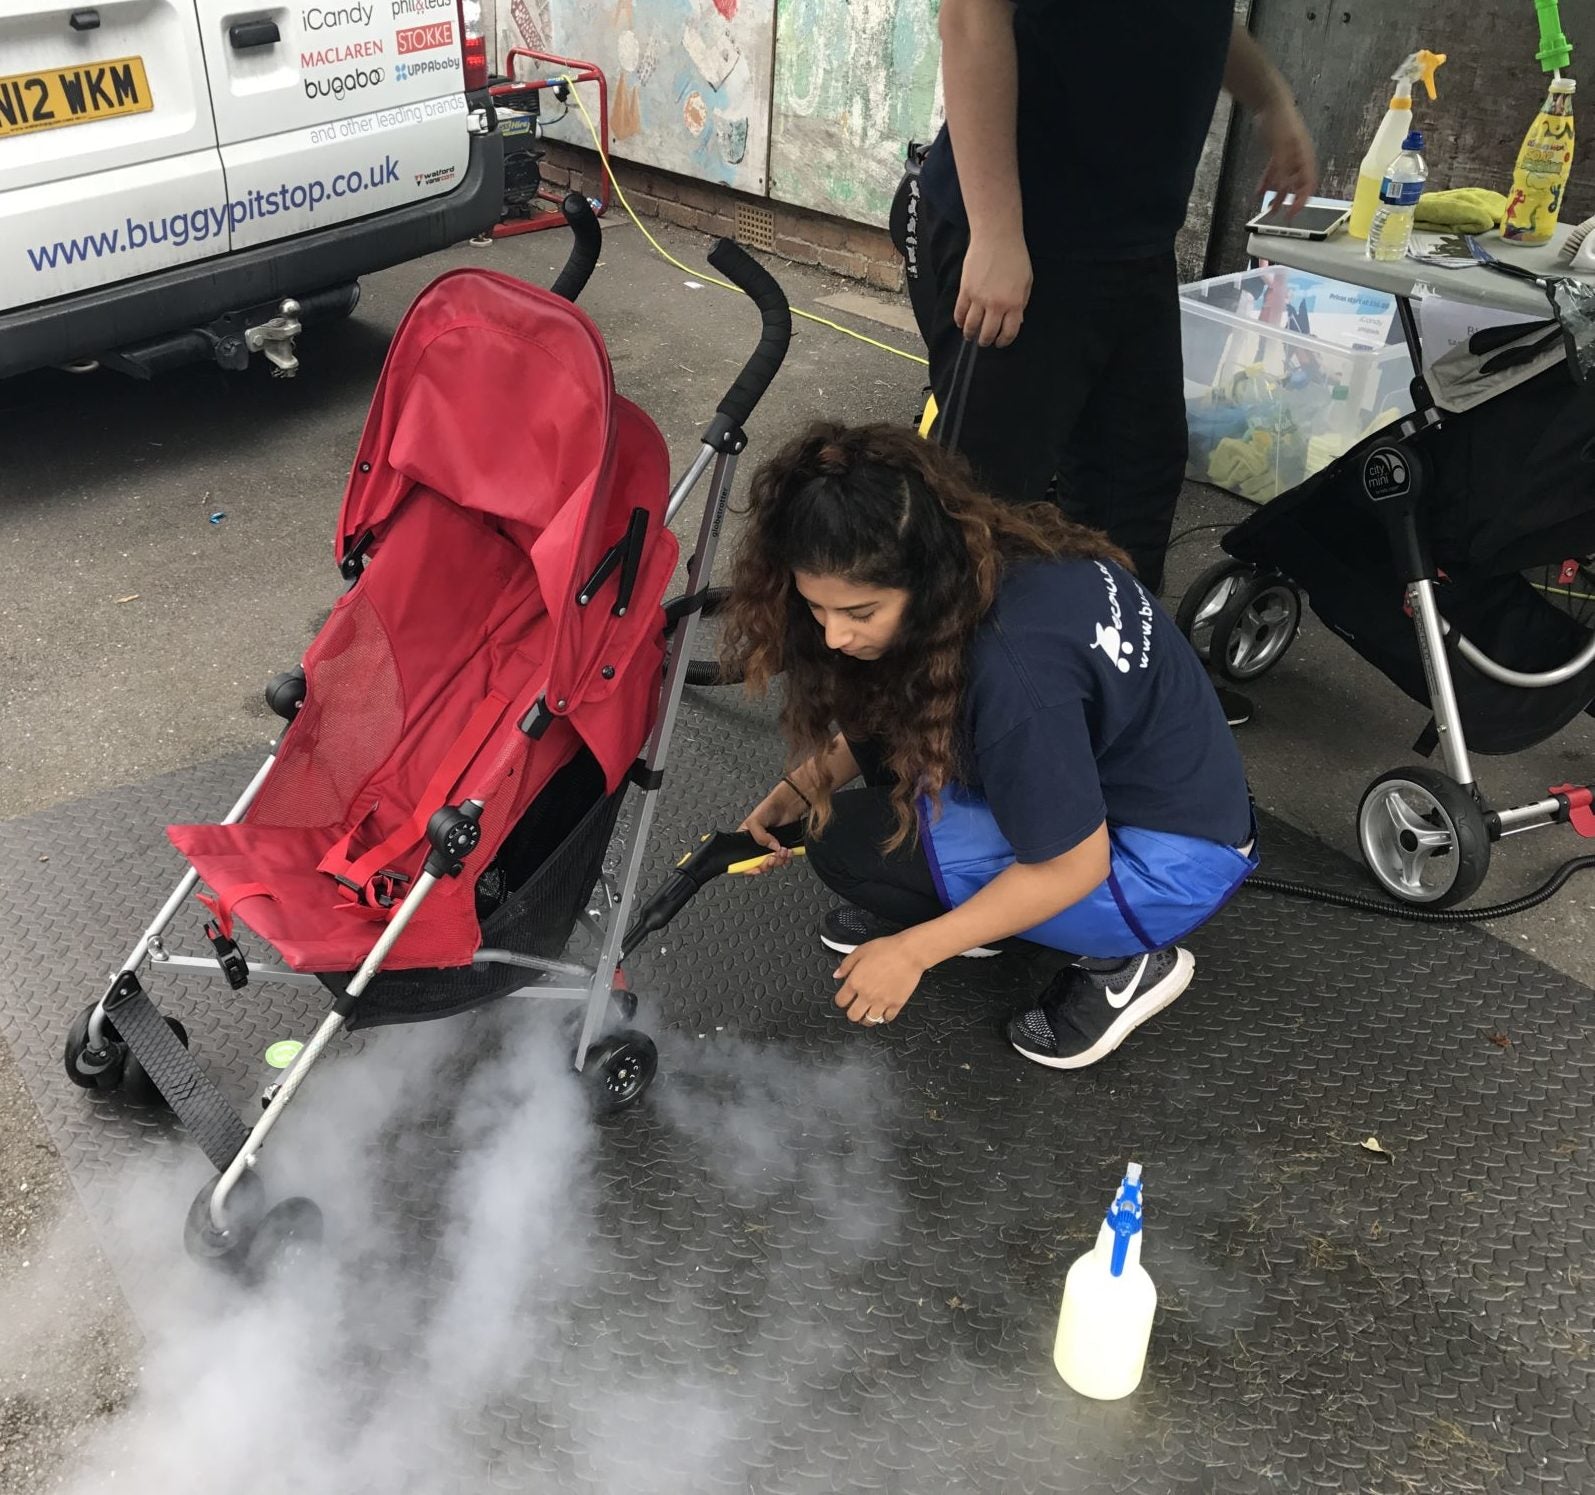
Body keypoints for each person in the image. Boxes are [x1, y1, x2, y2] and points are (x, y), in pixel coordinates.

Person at [723, 422, 1256, 1070]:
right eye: (817, 609)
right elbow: (885, 711)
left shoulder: (1014, 676)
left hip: (1169, 862)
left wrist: (916, 949)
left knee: (848, 845)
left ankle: (1128, 960)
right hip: (1152, 785)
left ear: (922, 576)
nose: (833, 635)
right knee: (864, 734)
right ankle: (978, 915)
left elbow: (1075, 866)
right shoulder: (989, 552)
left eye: (859, 613)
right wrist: (809, 780)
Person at [912, 1, 1319, 721]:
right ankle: (921, 724)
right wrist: (998, 231)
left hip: (1133, 248)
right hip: (1025, 241)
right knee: (981, 503)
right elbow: (971, 20)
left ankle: (1114, 692)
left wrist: (1272, 101)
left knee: (1133, 483)